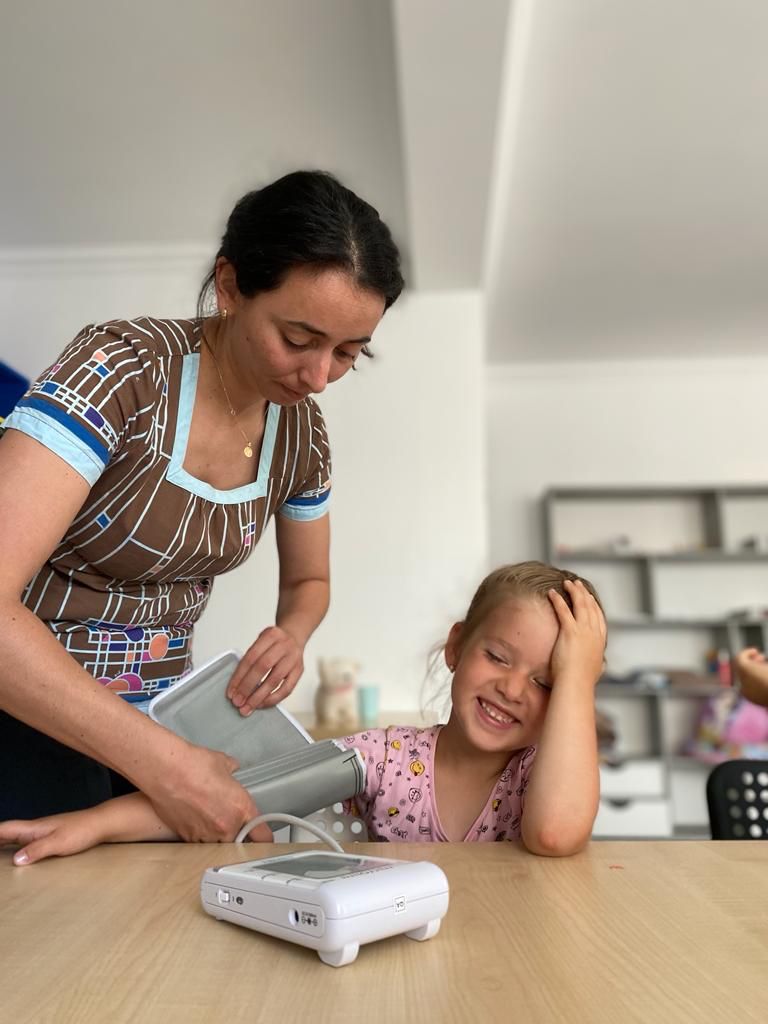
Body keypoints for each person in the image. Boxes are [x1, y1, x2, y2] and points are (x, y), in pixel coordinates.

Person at [0, 170, 403, 842]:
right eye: (299, 340)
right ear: (229, 285)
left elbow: (310, 581)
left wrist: (293, 635)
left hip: (165, 720)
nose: (318, 377)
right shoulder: (119, 374)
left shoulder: (301, 434)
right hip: (31, 717)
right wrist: (166, 767)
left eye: (347, 356)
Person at [0, 561, 606, 863]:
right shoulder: (385, 759)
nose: (513, 689)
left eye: (548, 682)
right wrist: (98, 823)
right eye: (498, 657)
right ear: (456, 648)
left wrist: (579, 676)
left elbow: (553, 835)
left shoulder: (540, 777)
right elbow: (232, 796)